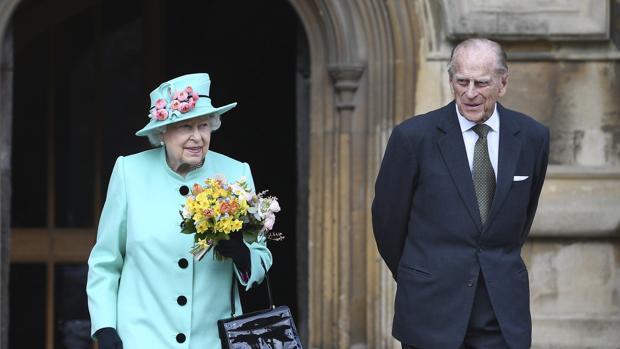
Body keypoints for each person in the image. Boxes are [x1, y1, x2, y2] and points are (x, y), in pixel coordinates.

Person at [372, 38, 549, 349]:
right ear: (450, 80)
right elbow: (388, 223)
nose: (470, 93)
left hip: (501, 315)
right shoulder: (413, 138)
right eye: (461, 81)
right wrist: (425, 273)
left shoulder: (532, 137)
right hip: (430, 311)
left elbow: (523, 216)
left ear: (503, 83)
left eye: (481, 83)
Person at [87, 73, 272, 349]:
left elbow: (261, 254)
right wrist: (105, 327)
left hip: (211, 340)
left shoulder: (236, 173)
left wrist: (244, 257)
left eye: (204, 126)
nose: (197, 137)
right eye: (186, 127)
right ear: (162, 131)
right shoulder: (129, 172)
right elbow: (105, 261)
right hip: (141, 338)